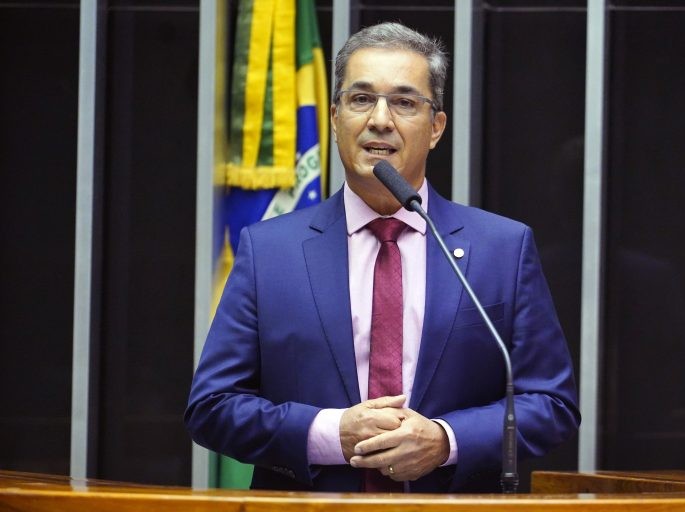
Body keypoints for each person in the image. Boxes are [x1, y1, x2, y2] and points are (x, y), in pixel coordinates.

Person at [185, 22, 579, 493]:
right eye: (360, 99)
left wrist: (445, 440)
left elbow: (551, 404)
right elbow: (212, 406)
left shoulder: (501, 249)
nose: (379, 119)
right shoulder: (269, 250)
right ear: (334, 118)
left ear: (436, 128)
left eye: (404, 102)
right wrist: (330, 434)